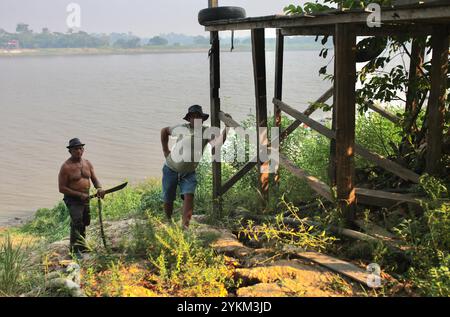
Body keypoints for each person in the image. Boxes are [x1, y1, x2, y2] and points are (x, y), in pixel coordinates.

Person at [161, 105, 229, 229]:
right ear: (189, 119)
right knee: (168, 198)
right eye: (193, 117)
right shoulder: (182, 128)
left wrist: (227, 129)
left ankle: (185, 228)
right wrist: (166, 150)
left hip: (189, 172)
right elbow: (164, 131)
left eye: (198, 116)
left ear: (202, 119)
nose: (195, 119)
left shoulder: (205, 132)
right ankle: (168, 221)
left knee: (189, 196)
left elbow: (217, 144)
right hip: (171, 168)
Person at [58, 138, 105, 254]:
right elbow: (61, 188)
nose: (79, 151)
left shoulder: (87, 163)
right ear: (70, 151)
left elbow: (94, 179)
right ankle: (74, 250)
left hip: (86, 197)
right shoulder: (66, 167)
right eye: (75, 149)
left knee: (85, 221)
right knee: (77, 221)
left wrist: (99, 188)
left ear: (83, 149)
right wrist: (79, 194)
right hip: (73, 199)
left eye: (80, 148)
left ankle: (82, 245)